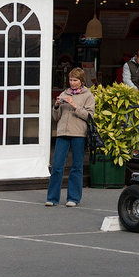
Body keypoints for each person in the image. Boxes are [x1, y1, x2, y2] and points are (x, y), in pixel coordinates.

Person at [46, 67, 95, 208]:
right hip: (62, 133)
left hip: (79, 134)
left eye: (75, 80)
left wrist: (74, 105)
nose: (72, 83)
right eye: (70, 80)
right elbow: (56, 117)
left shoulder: (88, 95)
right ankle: (52, 198)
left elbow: (90, 116)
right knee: (56, 166)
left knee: (77, 167)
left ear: (81, 81)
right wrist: (56, 106)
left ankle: (73, 198)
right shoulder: (64, 93)